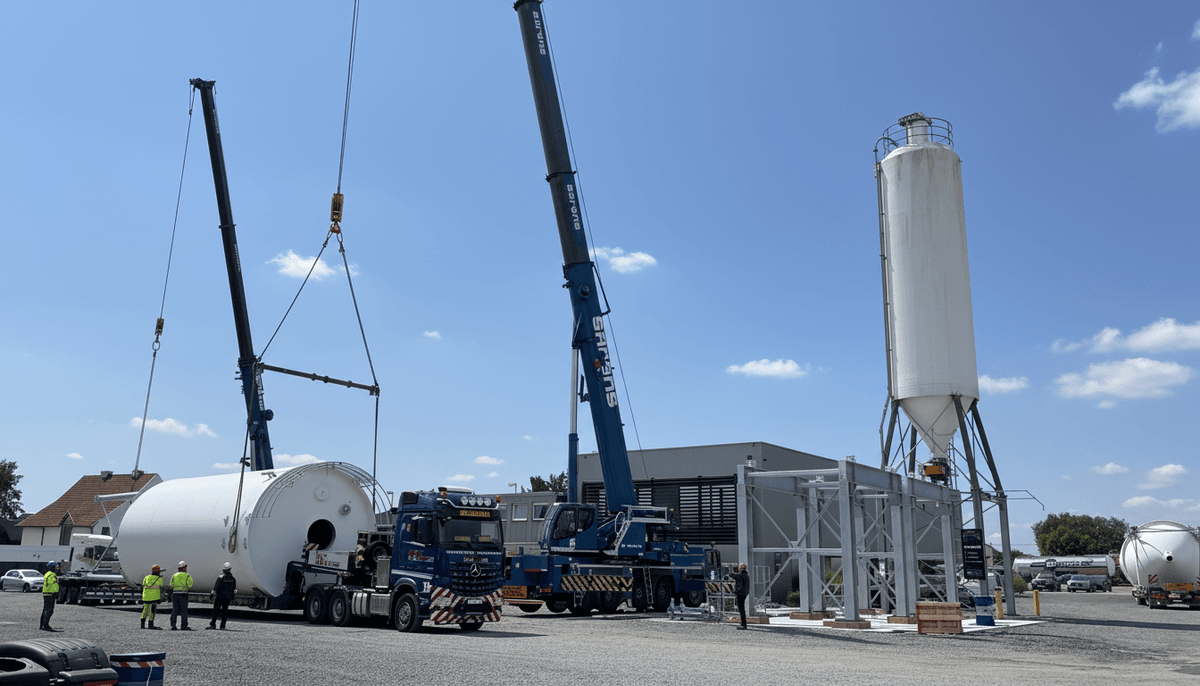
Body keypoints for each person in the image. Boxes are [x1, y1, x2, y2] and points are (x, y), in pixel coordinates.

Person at [208, 562, 236, 630]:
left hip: (219, 597)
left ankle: (213, 624)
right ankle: (222, 626)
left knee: (216, 610)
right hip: (227, 598)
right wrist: (232, 597)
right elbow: (234, 589)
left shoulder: (221, 577)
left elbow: (216, 586)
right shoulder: (233, 578)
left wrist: (212, 594)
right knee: (225, 611)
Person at [169, 561, 194, 630]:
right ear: (184, 568)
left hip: (175, 594)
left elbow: (171, 584)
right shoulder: (187, 576)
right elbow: (190, 585)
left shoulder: (174, 575)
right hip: (183, 594)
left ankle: (173, 625)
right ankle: (183, 625)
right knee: (184, 610)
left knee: (175, 610)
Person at [141, 564, 164, 629]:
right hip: (154, 598)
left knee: (145, 610)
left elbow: (143, 584)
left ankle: (142, 625)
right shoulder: (159, 579)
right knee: (152, 611)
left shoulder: (146, 577)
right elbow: (160, 585)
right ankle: (150, 625)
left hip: (146, 597)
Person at [39, 561, 59, 632]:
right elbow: (51, 583)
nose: (58, 568)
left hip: (46, 593)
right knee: (49, 610)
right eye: (56, 567)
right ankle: (45, 625)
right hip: (50, 594)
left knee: (45, 609)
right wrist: (57, 581)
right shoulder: (52, 575)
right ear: (52, 568)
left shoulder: (47, 574)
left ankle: (42, 625)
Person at [730, 562, 750, 629]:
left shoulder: (741, 575)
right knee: (742, 609)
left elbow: (734, 576)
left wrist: (729, 572)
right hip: (744, 594)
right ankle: (743, 623)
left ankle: (743, 624)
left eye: (739, 568)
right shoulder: (746, 576)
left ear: (741, 568)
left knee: (741, 609)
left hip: (740, 594)